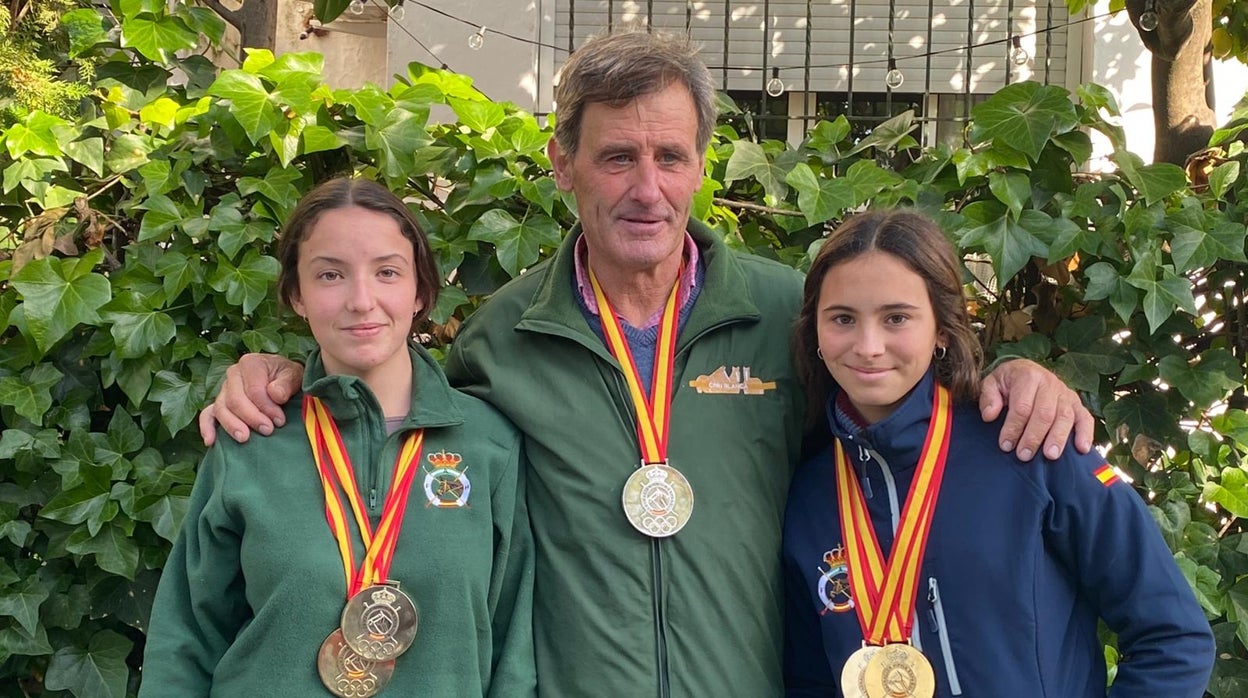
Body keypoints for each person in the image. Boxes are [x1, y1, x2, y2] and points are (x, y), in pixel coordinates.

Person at [198, 31, 1096, 697]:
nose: (647, 187)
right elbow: (387, 411)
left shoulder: (789, 312)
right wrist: (276, 373)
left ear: (702, 166)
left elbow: (901, 421)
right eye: (618, 157)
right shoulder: (501, 340)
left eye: (671, 157)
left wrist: (1006, 380)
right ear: (564, 166)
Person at [782, 209, 1213, 697]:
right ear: (814, 330)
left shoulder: (1031, 443)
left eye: (896, 317)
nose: (868, 345)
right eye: (842, 318)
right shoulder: (807, 492)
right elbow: (809, 680)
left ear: (942, 329)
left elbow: (1173, 637)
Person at [140, 178, 535, 697]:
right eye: (330, 275)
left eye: (387, 272)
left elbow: (516, 649)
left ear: (420, 291)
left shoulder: (490, 445)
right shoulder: (252, 435)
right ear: (296, 295)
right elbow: (185, 639)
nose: (361, 300)